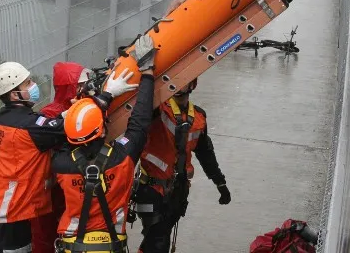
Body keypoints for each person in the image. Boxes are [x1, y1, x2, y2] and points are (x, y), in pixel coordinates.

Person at [52, 34, 157, 253]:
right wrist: (146, 72)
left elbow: (67, 130)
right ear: (101, 128)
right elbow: (140, 121)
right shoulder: (122, 158)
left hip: (72, 247)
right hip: (111, 246)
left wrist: (97, 100)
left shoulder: (61, 164)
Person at [0, 62, 68, 253]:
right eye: (27, 83)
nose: (33, 85)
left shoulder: (2, 118)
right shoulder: (30, 127)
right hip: (8, 218)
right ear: (14, 94)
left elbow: (43, 125)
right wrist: (105, 96)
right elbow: (72, 126)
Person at [134, 77, 230, 253]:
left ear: (192, 85)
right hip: (151, 190)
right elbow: (143, 105)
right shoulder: (158, 109)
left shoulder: (199, 117)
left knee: (156, 240)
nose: (178, 85)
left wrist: (220, 182)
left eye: (183, 81)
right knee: (158, 241)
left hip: (178, 190)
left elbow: (205, 153)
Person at [31, 62, 92, 253]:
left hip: (69, 184)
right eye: (82, 84)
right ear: (70, 87)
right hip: (49, 190)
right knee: (45, 237)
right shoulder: (50, 114)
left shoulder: (84, 108)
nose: (87, 87)